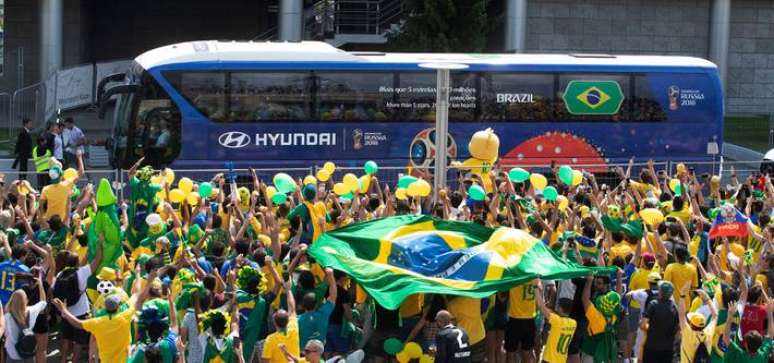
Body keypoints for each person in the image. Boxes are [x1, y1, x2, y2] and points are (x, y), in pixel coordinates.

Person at [52, 268, 156, 363]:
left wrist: (64, 310)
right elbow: (138, 296)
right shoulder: (125, 316)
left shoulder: (99, 321)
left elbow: (78, 324)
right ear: (118, 307)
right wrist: (149, 280)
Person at [721, 295, 774, 363]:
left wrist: (730, 315)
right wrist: (770, 313)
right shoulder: (763, 354)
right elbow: (771, 335)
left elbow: (725, 338)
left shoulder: (739, 354)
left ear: (746, 345)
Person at [536, 281, 577, 363]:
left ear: (560, 308)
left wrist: (535, 288)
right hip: (561, 360)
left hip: (550, 359)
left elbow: (541, 306)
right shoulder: (574, 323)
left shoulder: (557, 321)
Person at [640, 281, 679, 363]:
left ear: (660, 292)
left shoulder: (653, 304)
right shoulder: (675, 307)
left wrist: (651, 328)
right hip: (668, 349)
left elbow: (643, 325)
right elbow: (679, 329)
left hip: (651, 347)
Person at [298, 267, 336, 349]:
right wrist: (331, 275)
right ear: (316, 304)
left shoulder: (296, 320)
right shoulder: (324, 314)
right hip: (318, 355)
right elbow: (333, 297)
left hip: (302, 355)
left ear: (302, 304)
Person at [5, 280, 41, 363]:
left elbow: (9, 336)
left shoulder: (7, 317)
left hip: (13, 354)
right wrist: (41, 285)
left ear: (12, 300)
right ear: (25, 300)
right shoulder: (31, 311)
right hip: (28, 351)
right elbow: (43, 303)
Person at [506, 279, 537, 363]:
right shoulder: (535, 277)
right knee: (527, 352)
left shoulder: (514, 278)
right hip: (530, 319)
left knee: (510, 353)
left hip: (515, 319)